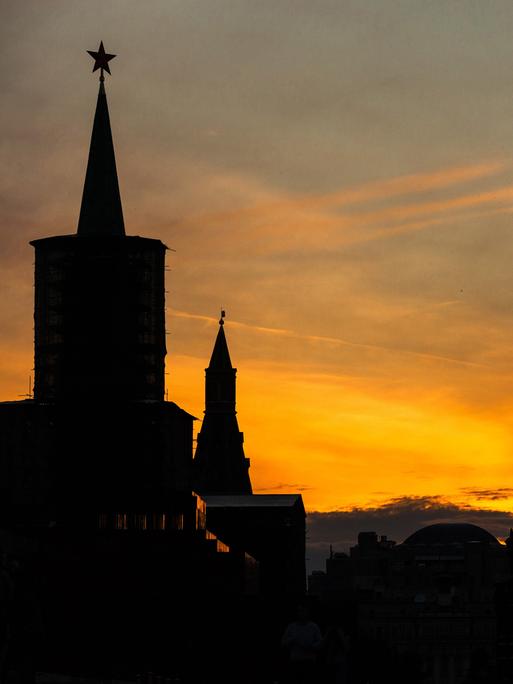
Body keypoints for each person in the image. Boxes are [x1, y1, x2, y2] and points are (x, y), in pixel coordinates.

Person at [281, 604, 321, 684]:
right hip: (295, 661)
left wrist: (311, 647)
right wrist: (292, 640)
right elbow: (283, 643)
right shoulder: (291, 627)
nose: (301, 613)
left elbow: (320, 642)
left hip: (309, 661)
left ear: (307, 613)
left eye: (303, 611)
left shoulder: (314, 627)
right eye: (300, 611)